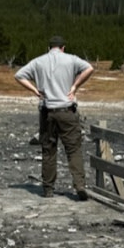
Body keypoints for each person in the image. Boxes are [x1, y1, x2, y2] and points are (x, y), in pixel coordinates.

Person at [14, 35, 94, 200]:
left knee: (49, 150)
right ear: (63, 47)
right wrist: (74, 86)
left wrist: (35, 91)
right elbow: (89, 69)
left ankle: (48, 189)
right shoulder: (71, 59)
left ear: (49, 48)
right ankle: (79, 185)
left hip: (47, 110)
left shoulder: (38, 61)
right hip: (67, 109)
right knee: (73, 149)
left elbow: (19, 75)